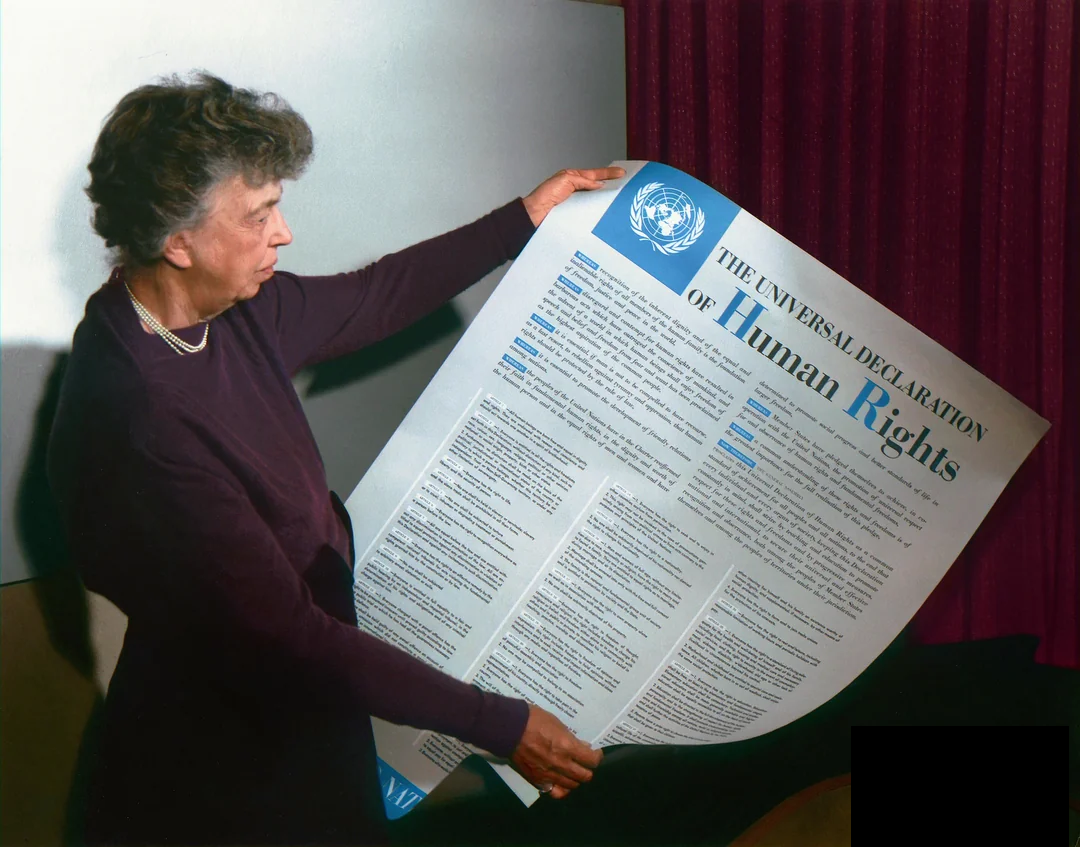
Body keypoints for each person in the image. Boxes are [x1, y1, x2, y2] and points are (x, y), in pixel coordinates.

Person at [47, 71, 622, 846]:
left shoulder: (227, 311)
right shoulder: (143, 412)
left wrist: (525, 217)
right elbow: (288, 634)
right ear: (177, 240)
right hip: (224, 771)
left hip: (305, 719)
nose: (282, 232)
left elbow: (374, 294)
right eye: (258, 215)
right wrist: (500, 722)